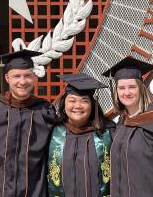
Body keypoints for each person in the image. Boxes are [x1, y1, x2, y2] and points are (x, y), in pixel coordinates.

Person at [0, 50, 57, 196]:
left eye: (27, 75)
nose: (22, 81)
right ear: (7, 78)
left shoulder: (44, 111)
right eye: (16, 76)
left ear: (34, 77)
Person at [48, 73, 115, 197]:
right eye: (72, 100)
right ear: (64, 105)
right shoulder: (51, 133)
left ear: (92, 106)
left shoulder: (109, 133)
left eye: (84, 101)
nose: (77, 106)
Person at [102, 56, 153, 197]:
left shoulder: (151, 118)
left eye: (132, 87)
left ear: (141, 88)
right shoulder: (121, 123)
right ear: (116, 92)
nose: (127, 92)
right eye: (121, 88)